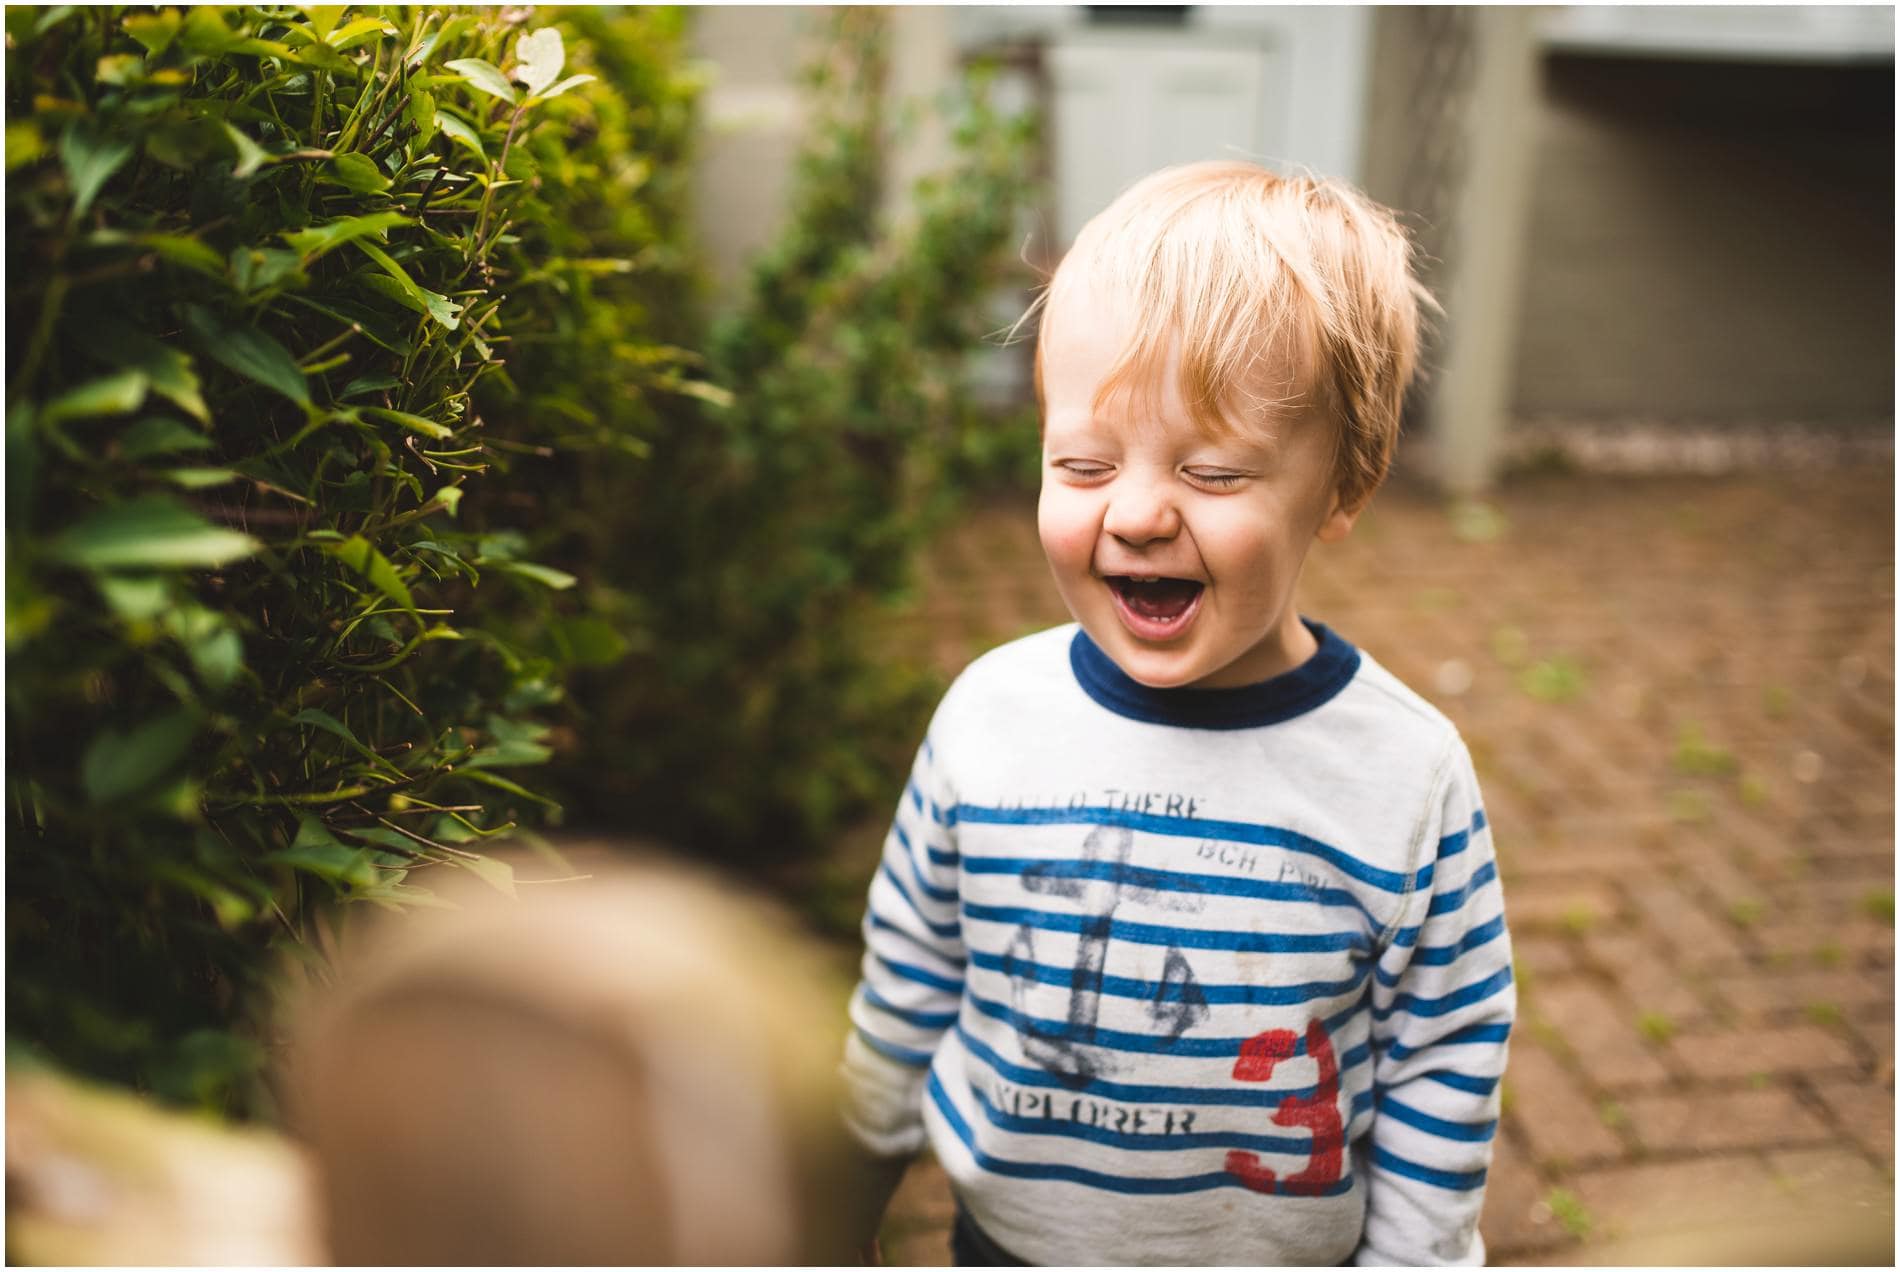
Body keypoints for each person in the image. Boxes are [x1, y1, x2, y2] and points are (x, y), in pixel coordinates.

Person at [839, 160, 1515, 1266]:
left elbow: (1445, 1048)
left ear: (1344, 484)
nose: (1139, 513)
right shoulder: (988, 723)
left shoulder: (1402, 774)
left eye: (1210, 472)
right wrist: (846, 1180)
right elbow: (911, 968)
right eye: (1083, 462)